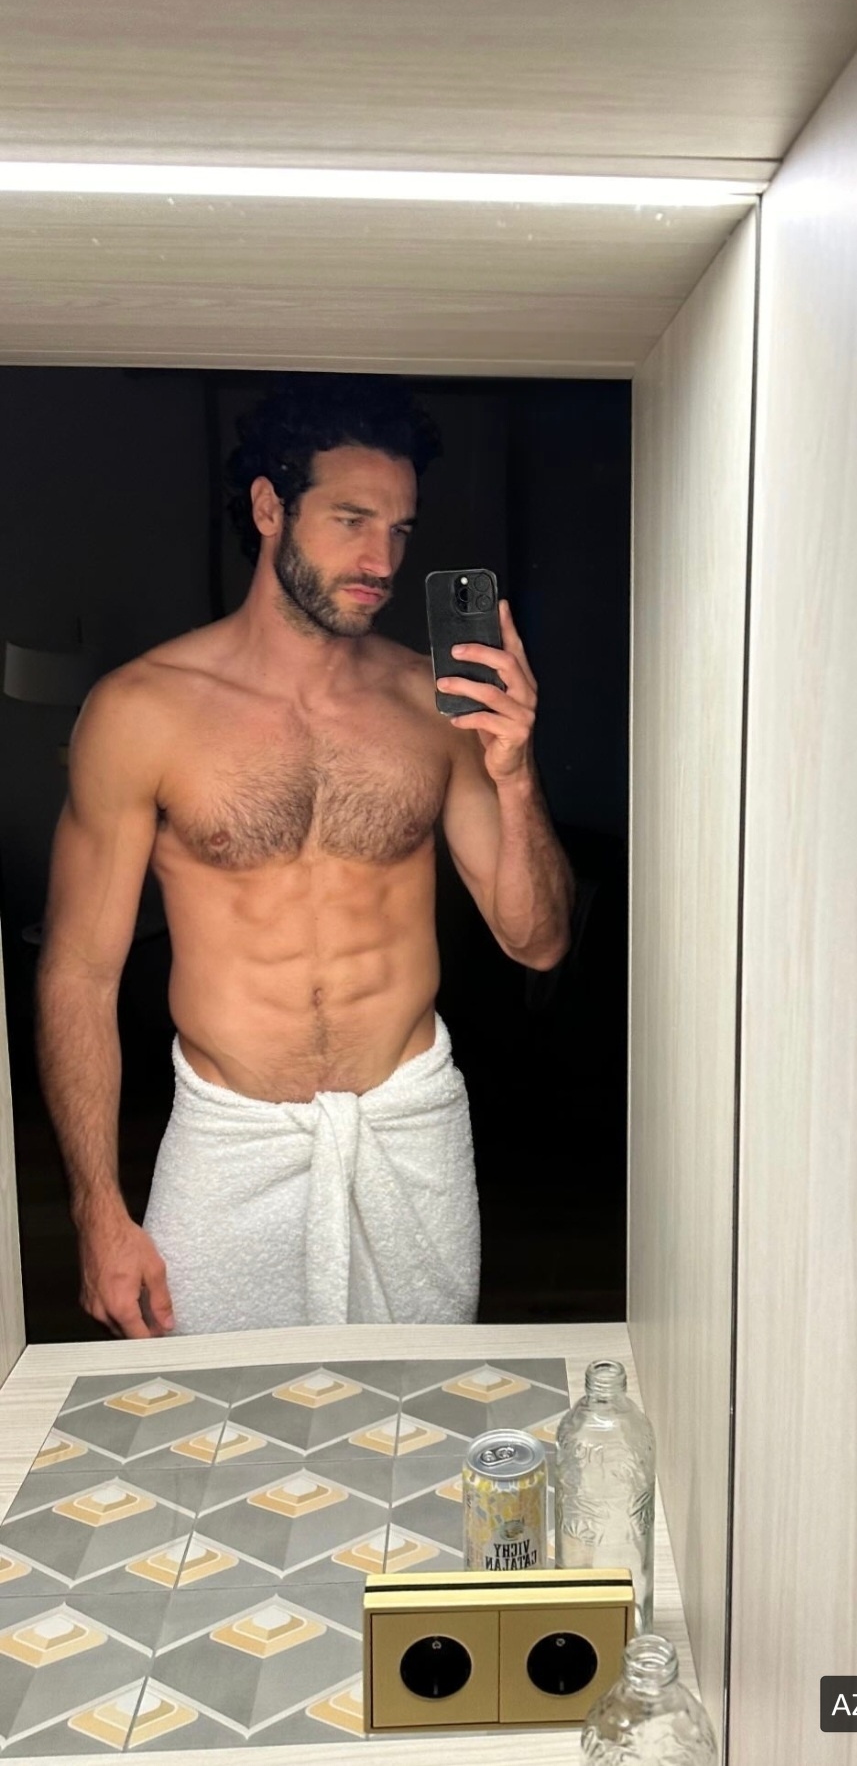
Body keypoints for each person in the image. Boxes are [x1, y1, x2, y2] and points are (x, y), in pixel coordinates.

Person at [35, 374, 573, 1337]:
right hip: (231, 1140)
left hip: (405, 1130)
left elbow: (536, 941)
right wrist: (97, 1211)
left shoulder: (435, 707)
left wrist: (517, 774)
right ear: (269, 508)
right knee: (212, 1418)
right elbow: (79, 972)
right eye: (352, 520)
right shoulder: (141, 711)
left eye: (400, 530)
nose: (381, 559)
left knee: (418, 1408)